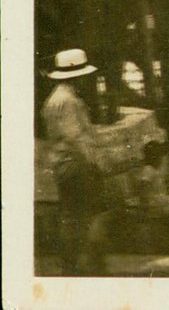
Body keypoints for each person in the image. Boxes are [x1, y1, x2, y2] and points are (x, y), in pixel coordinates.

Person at [41, 49, 108, 274]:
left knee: (69, 214)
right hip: (76, 162)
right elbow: (76, 137)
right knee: (92, 212)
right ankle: (90, 263)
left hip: (60, 162)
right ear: (77, 75)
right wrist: (95, 163)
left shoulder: (52, 101)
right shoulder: (71, 101)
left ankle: (69, 264)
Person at [135, 140, 169, 253]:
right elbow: (144, 185)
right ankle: (162, 244)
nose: (163, 160)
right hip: (153, 203)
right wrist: (146, 202)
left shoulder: (155, 171)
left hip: (159, 202)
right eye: (161, 157)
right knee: (167, 218)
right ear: (155, 157)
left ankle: (165, 242)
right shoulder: (149, 170)